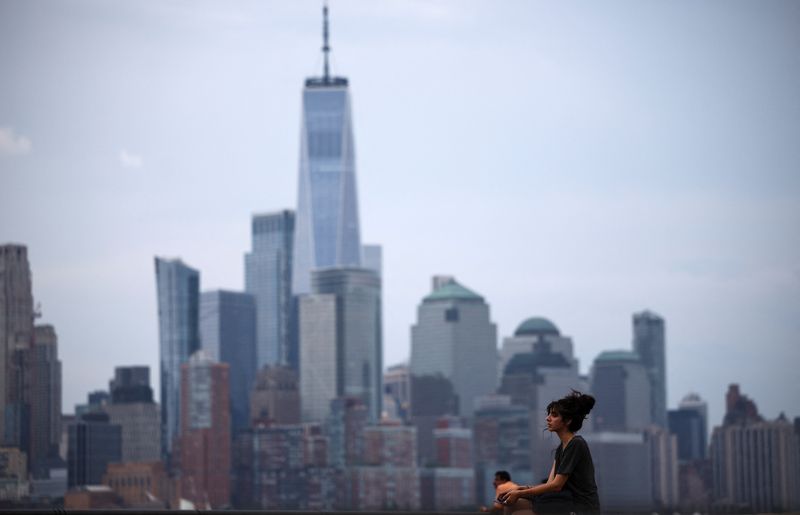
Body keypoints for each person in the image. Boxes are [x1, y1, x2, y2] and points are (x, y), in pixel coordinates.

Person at [499, 391, 600, 514]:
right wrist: (520, 489)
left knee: (518, 514)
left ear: (567, 420)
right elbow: (550, 484)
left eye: (554, 415)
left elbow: (556, 486)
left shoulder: (576, 444)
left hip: (579, 508)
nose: (548, 418)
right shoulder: (561, 448)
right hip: (563, 504)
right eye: (549, 414)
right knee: (510, 505)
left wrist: (520, 493)